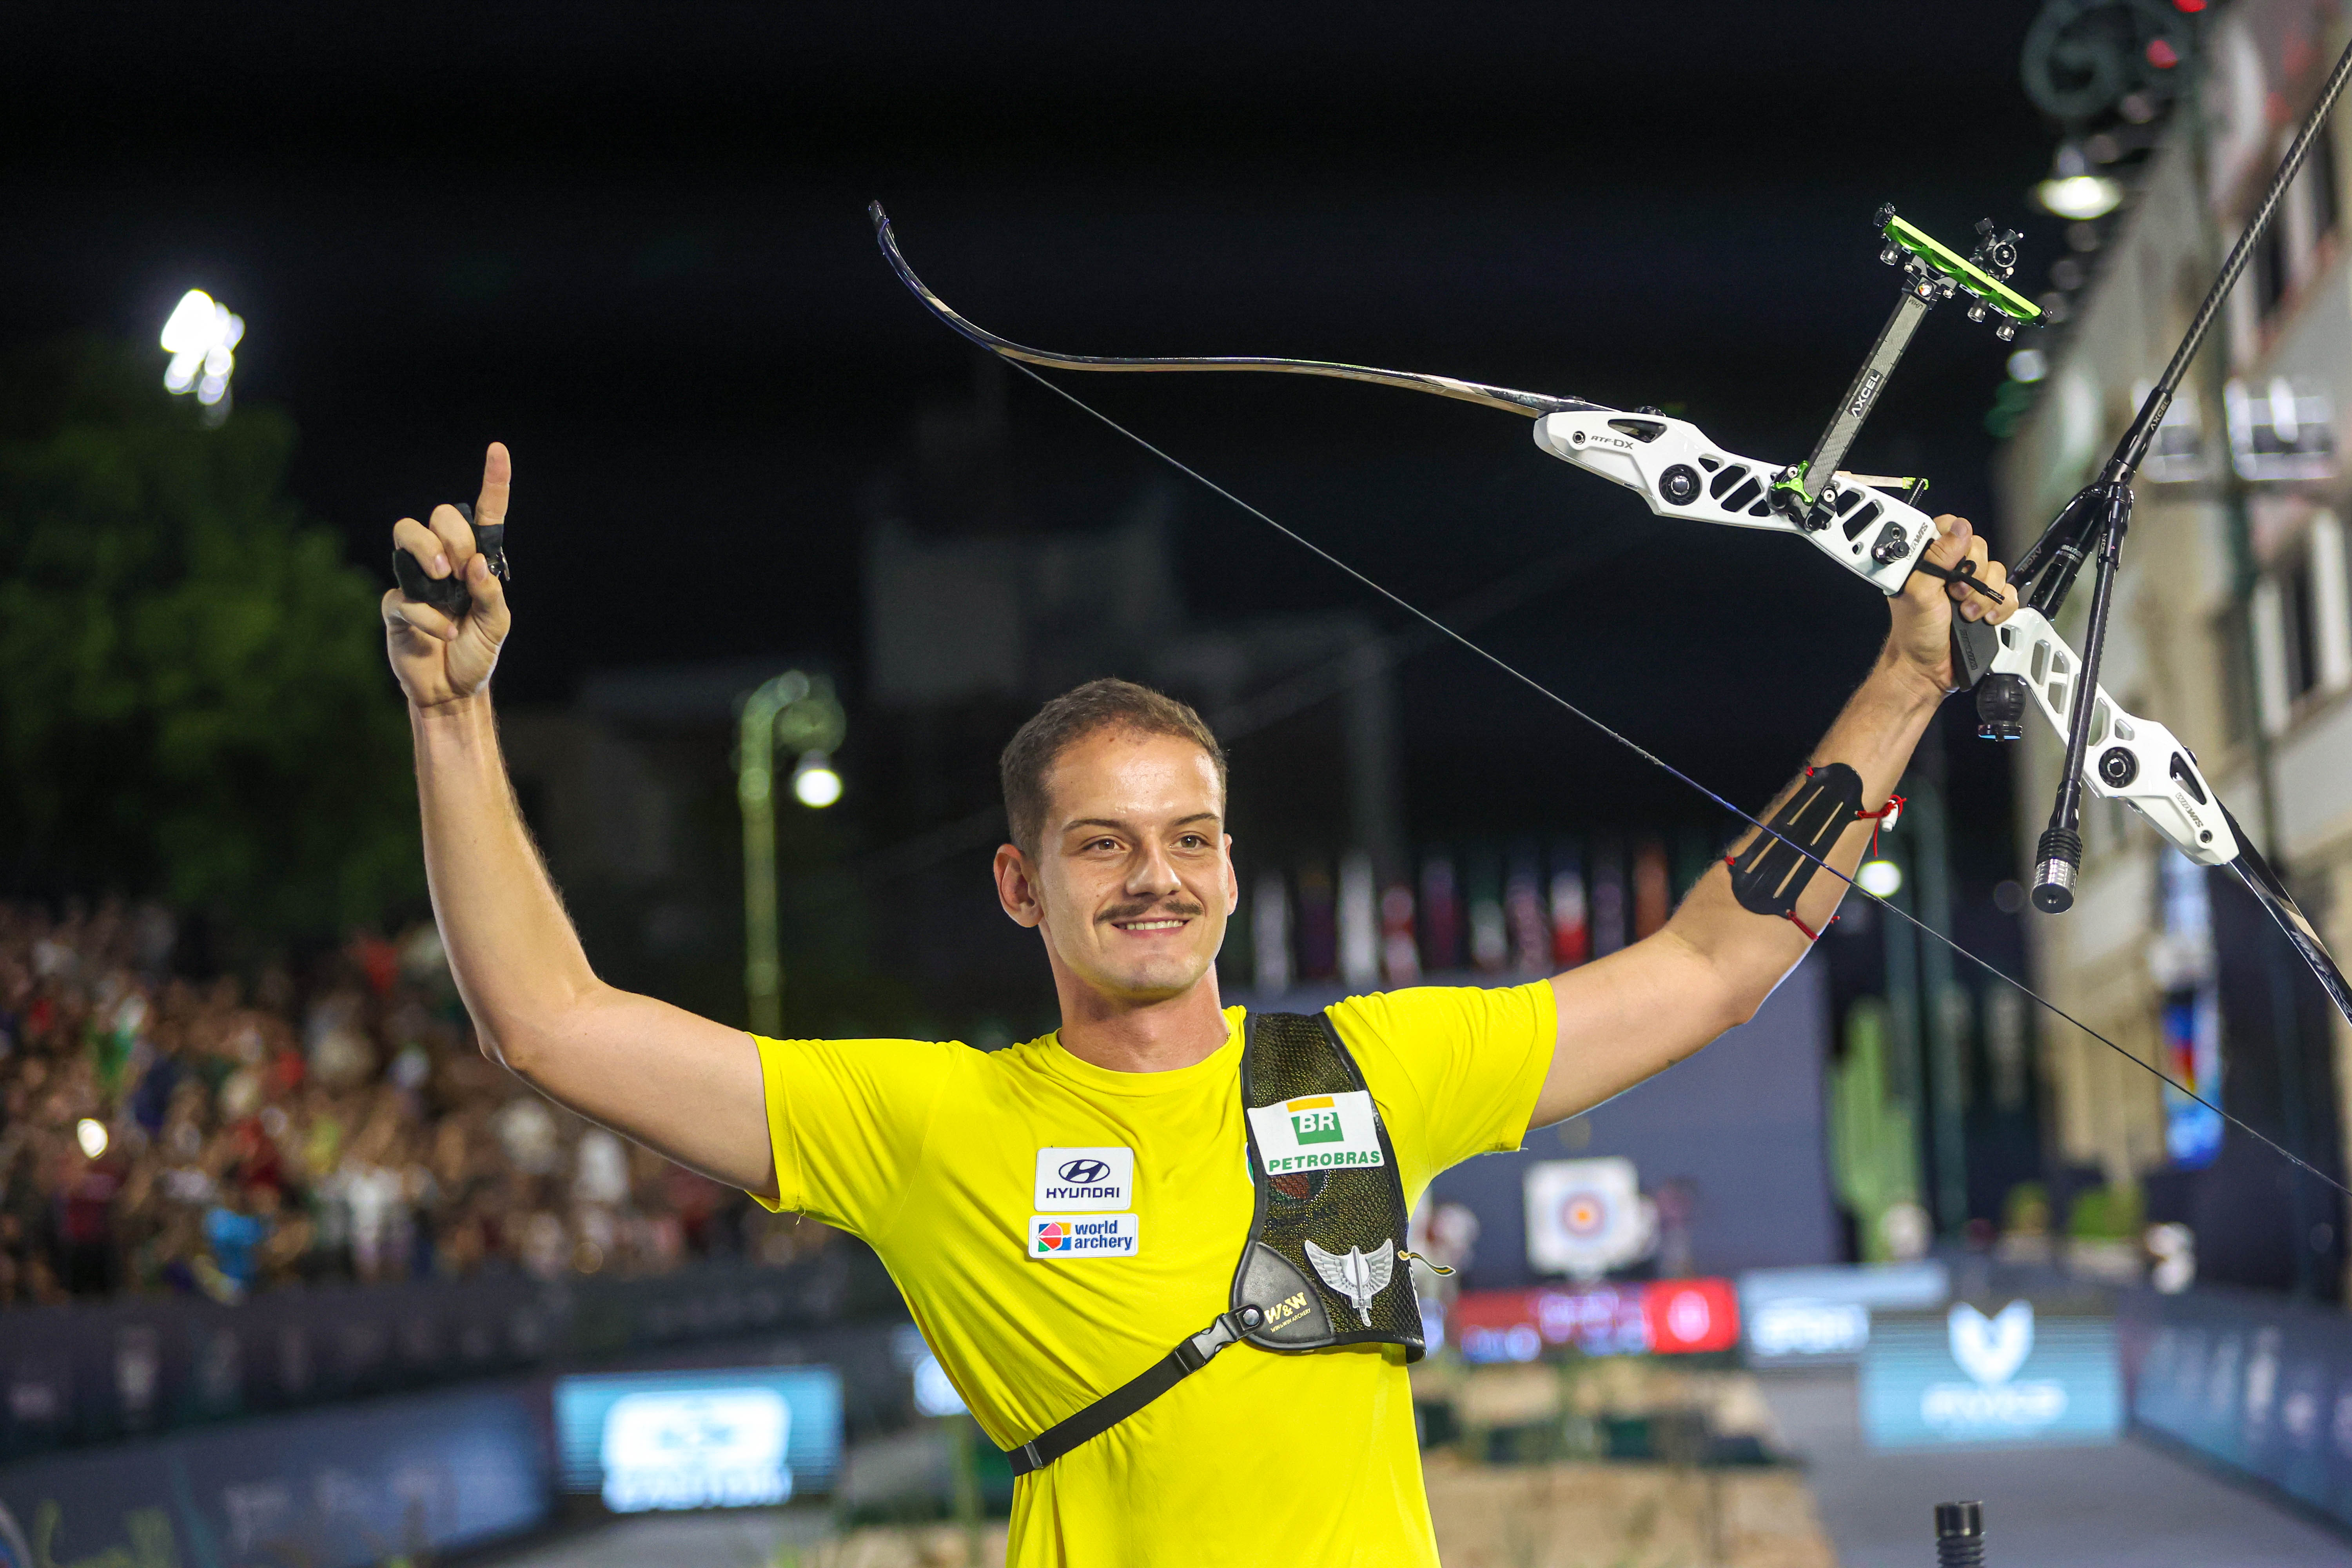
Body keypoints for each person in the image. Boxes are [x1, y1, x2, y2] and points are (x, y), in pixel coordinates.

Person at [382, 444, 2015, 1566]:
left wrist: (1911, 678)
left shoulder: (1373, 1068)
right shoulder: (928, 1124)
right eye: (1100, 846)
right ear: (1021, 886)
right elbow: (551, 1021)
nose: (1152, 878)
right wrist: (455, 722)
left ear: (1233, 871)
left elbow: (1714, 965)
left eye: (1188, 840)